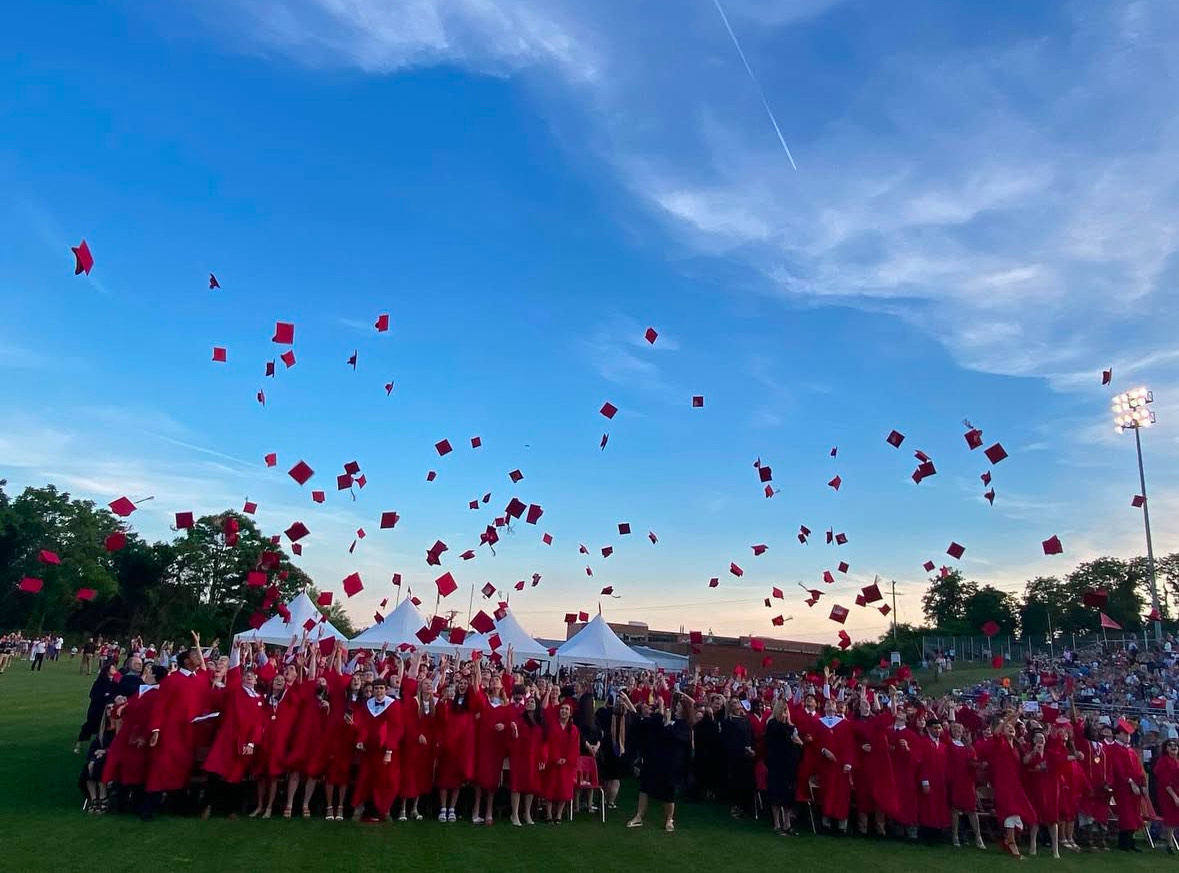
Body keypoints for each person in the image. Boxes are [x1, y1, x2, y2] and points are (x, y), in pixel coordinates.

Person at [627, 692, 692, 832]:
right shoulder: (670, 719)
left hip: (671, 763)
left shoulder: (684, 725)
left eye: (679, 706)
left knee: (668, 793)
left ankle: (669, 819)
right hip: (655, 759)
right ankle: (639, 816)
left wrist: (667, 723)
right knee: (645, 787)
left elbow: (674, 737)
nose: (676, 708)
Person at [764, 699, 803, 835]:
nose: (785, 713)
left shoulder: (791, 727)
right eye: (783, 710)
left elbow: (798, 744)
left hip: (790, 766)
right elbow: (772, 744)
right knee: (776, 795)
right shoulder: (773, 725)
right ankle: (777, 824)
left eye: (786, 710)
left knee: (788, 796)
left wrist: (799, 743)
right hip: (776, 765)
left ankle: (787, 824)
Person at [1154, 738, 1179, 854]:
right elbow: (1165, 781)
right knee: (1171, 819)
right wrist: (1174, 796)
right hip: (1167, 794)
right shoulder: (1163, 761)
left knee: (1175, 819)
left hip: (1176, 792)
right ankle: (1169, 844)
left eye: (1175, 745)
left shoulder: (1176, 761)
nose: (1173, 747)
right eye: (1170, 745)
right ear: (1166, 748)